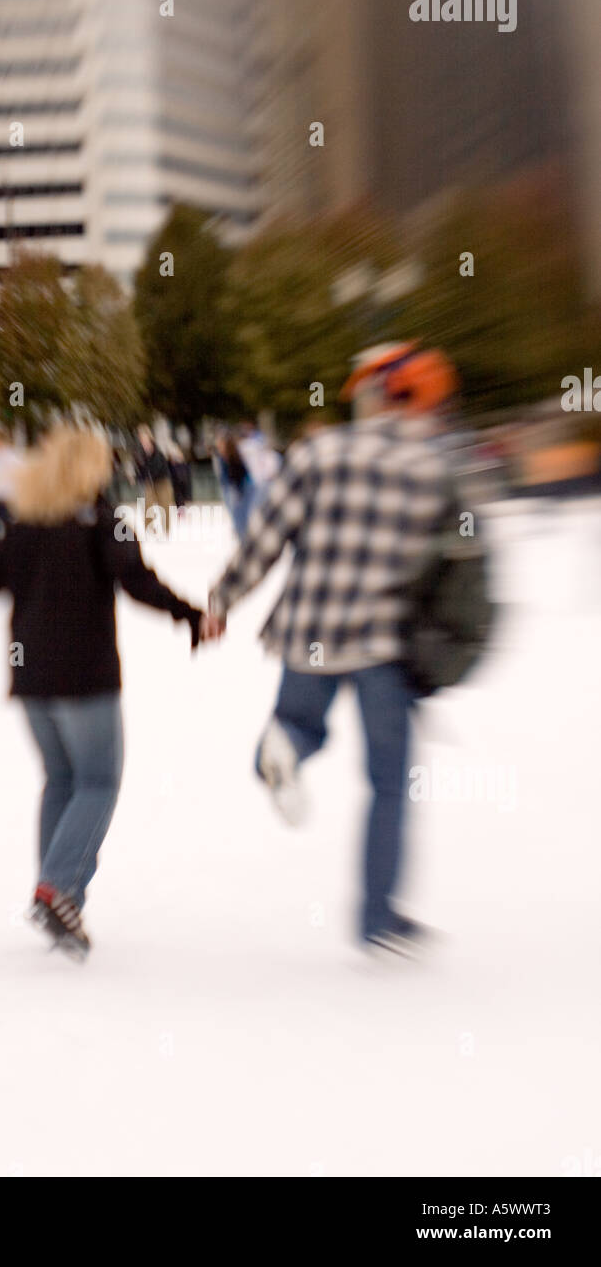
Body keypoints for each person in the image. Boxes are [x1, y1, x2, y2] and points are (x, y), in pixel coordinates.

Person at [0, 424, 217, 960]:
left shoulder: (18, 522)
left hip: (31, 681)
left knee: (61, 779)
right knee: (98, 781)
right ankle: (57, 889)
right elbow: (137, 580)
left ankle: (59, 896)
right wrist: (191, 615)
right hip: (86, 678)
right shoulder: (105, 520)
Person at [207, 343, 459, 956]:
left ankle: (283, 746)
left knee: (298, 724)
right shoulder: (433, 473)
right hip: (381, 644)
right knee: (388, 783)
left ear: (375, 399)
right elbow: (447, 571)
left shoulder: (319, 453)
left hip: (310, 632)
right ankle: (377, 918)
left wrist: (221, 600)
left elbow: (265, 536)